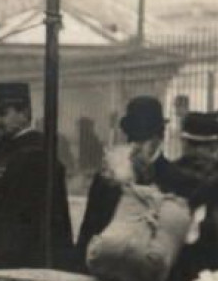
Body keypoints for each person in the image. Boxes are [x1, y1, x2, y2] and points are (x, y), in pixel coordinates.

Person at [0, 82, 73, 270]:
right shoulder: (8, 151)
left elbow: (24, 227)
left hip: (16, 266)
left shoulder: (34, 154)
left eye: (3, 114)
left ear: (24, 113)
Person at [76, 96, 179, 253]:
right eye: (131, 137)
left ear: (159, 138)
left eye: (143, 138)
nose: (135, 145)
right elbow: (88, 233)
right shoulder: (106, 179)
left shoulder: (174, 178)